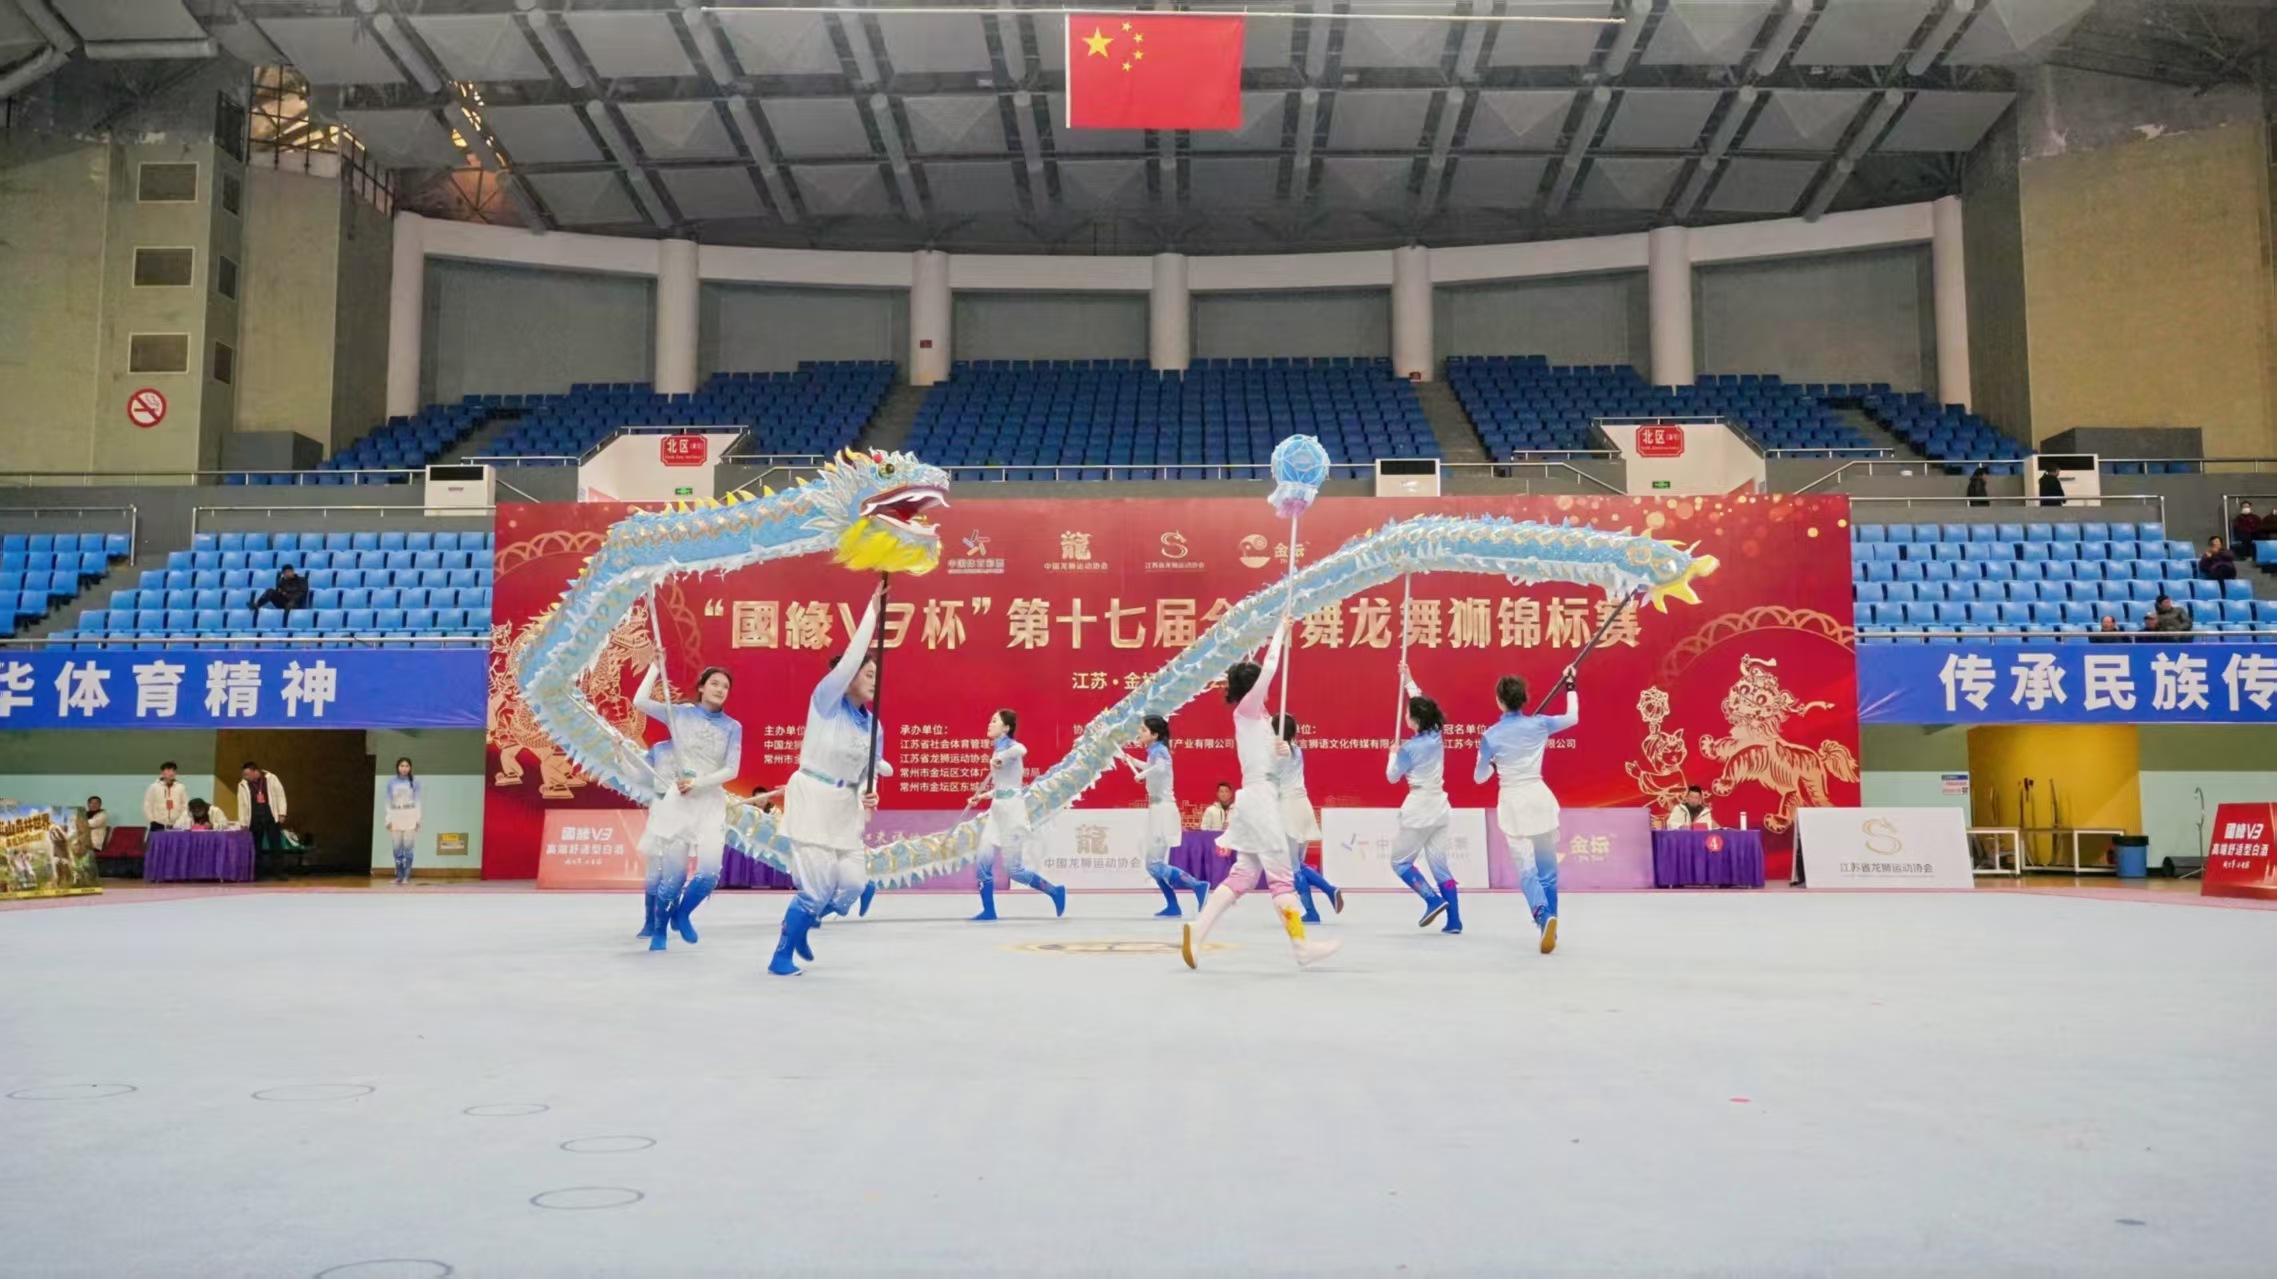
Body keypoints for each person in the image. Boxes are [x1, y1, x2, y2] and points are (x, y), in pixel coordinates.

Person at [1179, 624, 1340, 970]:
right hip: (1261, 801)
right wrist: (1280, 631)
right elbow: (1269, 669)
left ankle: (1198, 929)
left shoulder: (1261, 720)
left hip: (1258, 797)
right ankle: (1301, 947)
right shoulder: (1247, 710)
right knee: (1281, 879)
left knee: (1245, 875)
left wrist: (1282, 752)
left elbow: (1270, 762)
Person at [770, 581, 893, 977]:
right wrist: (872, 613)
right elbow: (851, 658)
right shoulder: (825, 701)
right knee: (816, 888)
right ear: (849, 676)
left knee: (853, 885)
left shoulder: (875, 726)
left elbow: (867, 775)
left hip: (845, 808)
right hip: (813, 798)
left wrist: (869, 794)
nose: (873, 679)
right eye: (868, 673)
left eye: (876, 674)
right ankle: (781, 955)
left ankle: (807, 921)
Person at [631, 664, 741, 950]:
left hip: (710, 804)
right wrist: (655, 667)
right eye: (714, 683)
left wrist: (699, 783)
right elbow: (640, 702)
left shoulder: (733, 727)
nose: (720, 689)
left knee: (709, 873)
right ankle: (659, 933)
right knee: (674, 877)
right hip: (678, 804)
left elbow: (732, 769)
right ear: (701, 687)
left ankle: (682, 914)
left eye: (725, 686)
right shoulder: (680, 714)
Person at [1475, 671, 1579, 955]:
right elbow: (1573, 718)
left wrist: (1493, 764)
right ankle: (1552, 925)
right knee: (1548, 870)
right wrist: (1571, 685)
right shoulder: (1539, 724)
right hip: (1539, 798)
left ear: (1499, 701)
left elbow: (1479, 778)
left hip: (1514, 803)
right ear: (1523, 699)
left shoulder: (1490, 736)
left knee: (1526, 869)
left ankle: (1543, 916)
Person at [966, 708, 1065, 921]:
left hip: (1012, 812)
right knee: (982, 859)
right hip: (997, 809)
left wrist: (1002, 758)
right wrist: (981, 796)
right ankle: (989, 910)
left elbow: (1022, 749)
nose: (989, 724)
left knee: (1014, 870)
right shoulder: (997, 750)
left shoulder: (1011, 748)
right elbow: (1003, 787)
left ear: (1006, 728)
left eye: (994, 721)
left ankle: (1055, 891)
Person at [1386, 670, 1459, 934]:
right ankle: (1454, 921)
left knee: (1399, 862)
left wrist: (1393, 754)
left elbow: (1392, 777)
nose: (1405, 715)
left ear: (1415, 720)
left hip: (1418, 809)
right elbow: (1419, 699)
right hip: (1440, 807)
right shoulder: (1436, 735)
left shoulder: (1409, 749)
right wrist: (1408, 679)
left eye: (1408, 713)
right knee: (1440, 866)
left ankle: (1432, 900)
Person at [1117, 714, 1208, 918]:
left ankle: (1197, 885)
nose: (1140, 733)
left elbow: (1160, 768)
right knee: (1151, 865)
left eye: (1143, 730)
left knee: (1154, 864)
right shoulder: (1154, 750)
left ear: (1155, 734)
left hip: (1164, 812)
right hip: (1158, 810)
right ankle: (1173, 905)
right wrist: (1133, 762)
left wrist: (1142, 775)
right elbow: (1153, 767)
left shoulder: (1160, 751)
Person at [1274, 712, 1344, 924]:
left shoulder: (1279, 753)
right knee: (1298, 863)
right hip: (1302, 807)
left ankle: (1311, 912)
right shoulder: (1297, 750)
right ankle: (1329, 890)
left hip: (1288, 808)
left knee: (1292, 866)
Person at [383, 757, 422, 887]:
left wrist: (418, 819)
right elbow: (388, 802)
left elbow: (418, 802)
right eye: (402, 766)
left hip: (410, 816)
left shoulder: (415, 782)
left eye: (406, 766)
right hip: (396, 816)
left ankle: (406, 876)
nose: (404, 768)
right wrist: (388, 819)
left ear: (410, 768)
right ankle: (399, 876)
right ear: (397, 767)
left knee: (408, 848)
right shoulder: (391, 782)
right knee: (396, 848)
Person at [236, 763, 287, 862]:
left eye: (247, 774)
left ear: (255, 771)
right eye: (244, 775)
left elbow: (280, 795)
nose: (245, 777)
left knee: (275, 845)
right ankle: (257, 869)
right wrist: (243, 822)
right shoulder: (242, 785)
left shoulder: (271, 778)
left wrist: (282, 813)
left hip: (270, 816)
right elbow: (241, 805)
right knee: (256, 846)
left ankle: (278, 869)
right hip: (255, 818)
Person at [143, 762, 187, 832]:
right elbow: (147, 805)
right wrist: (152, 821)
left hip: (176, 824)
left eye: (173, 770)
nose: (171, 773)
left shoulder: (181, 787)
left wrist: (182, 820)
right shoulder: (154, 787)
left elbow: (185, 805)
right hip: (158, 824)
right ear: (162, 772)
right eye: (169, 770)